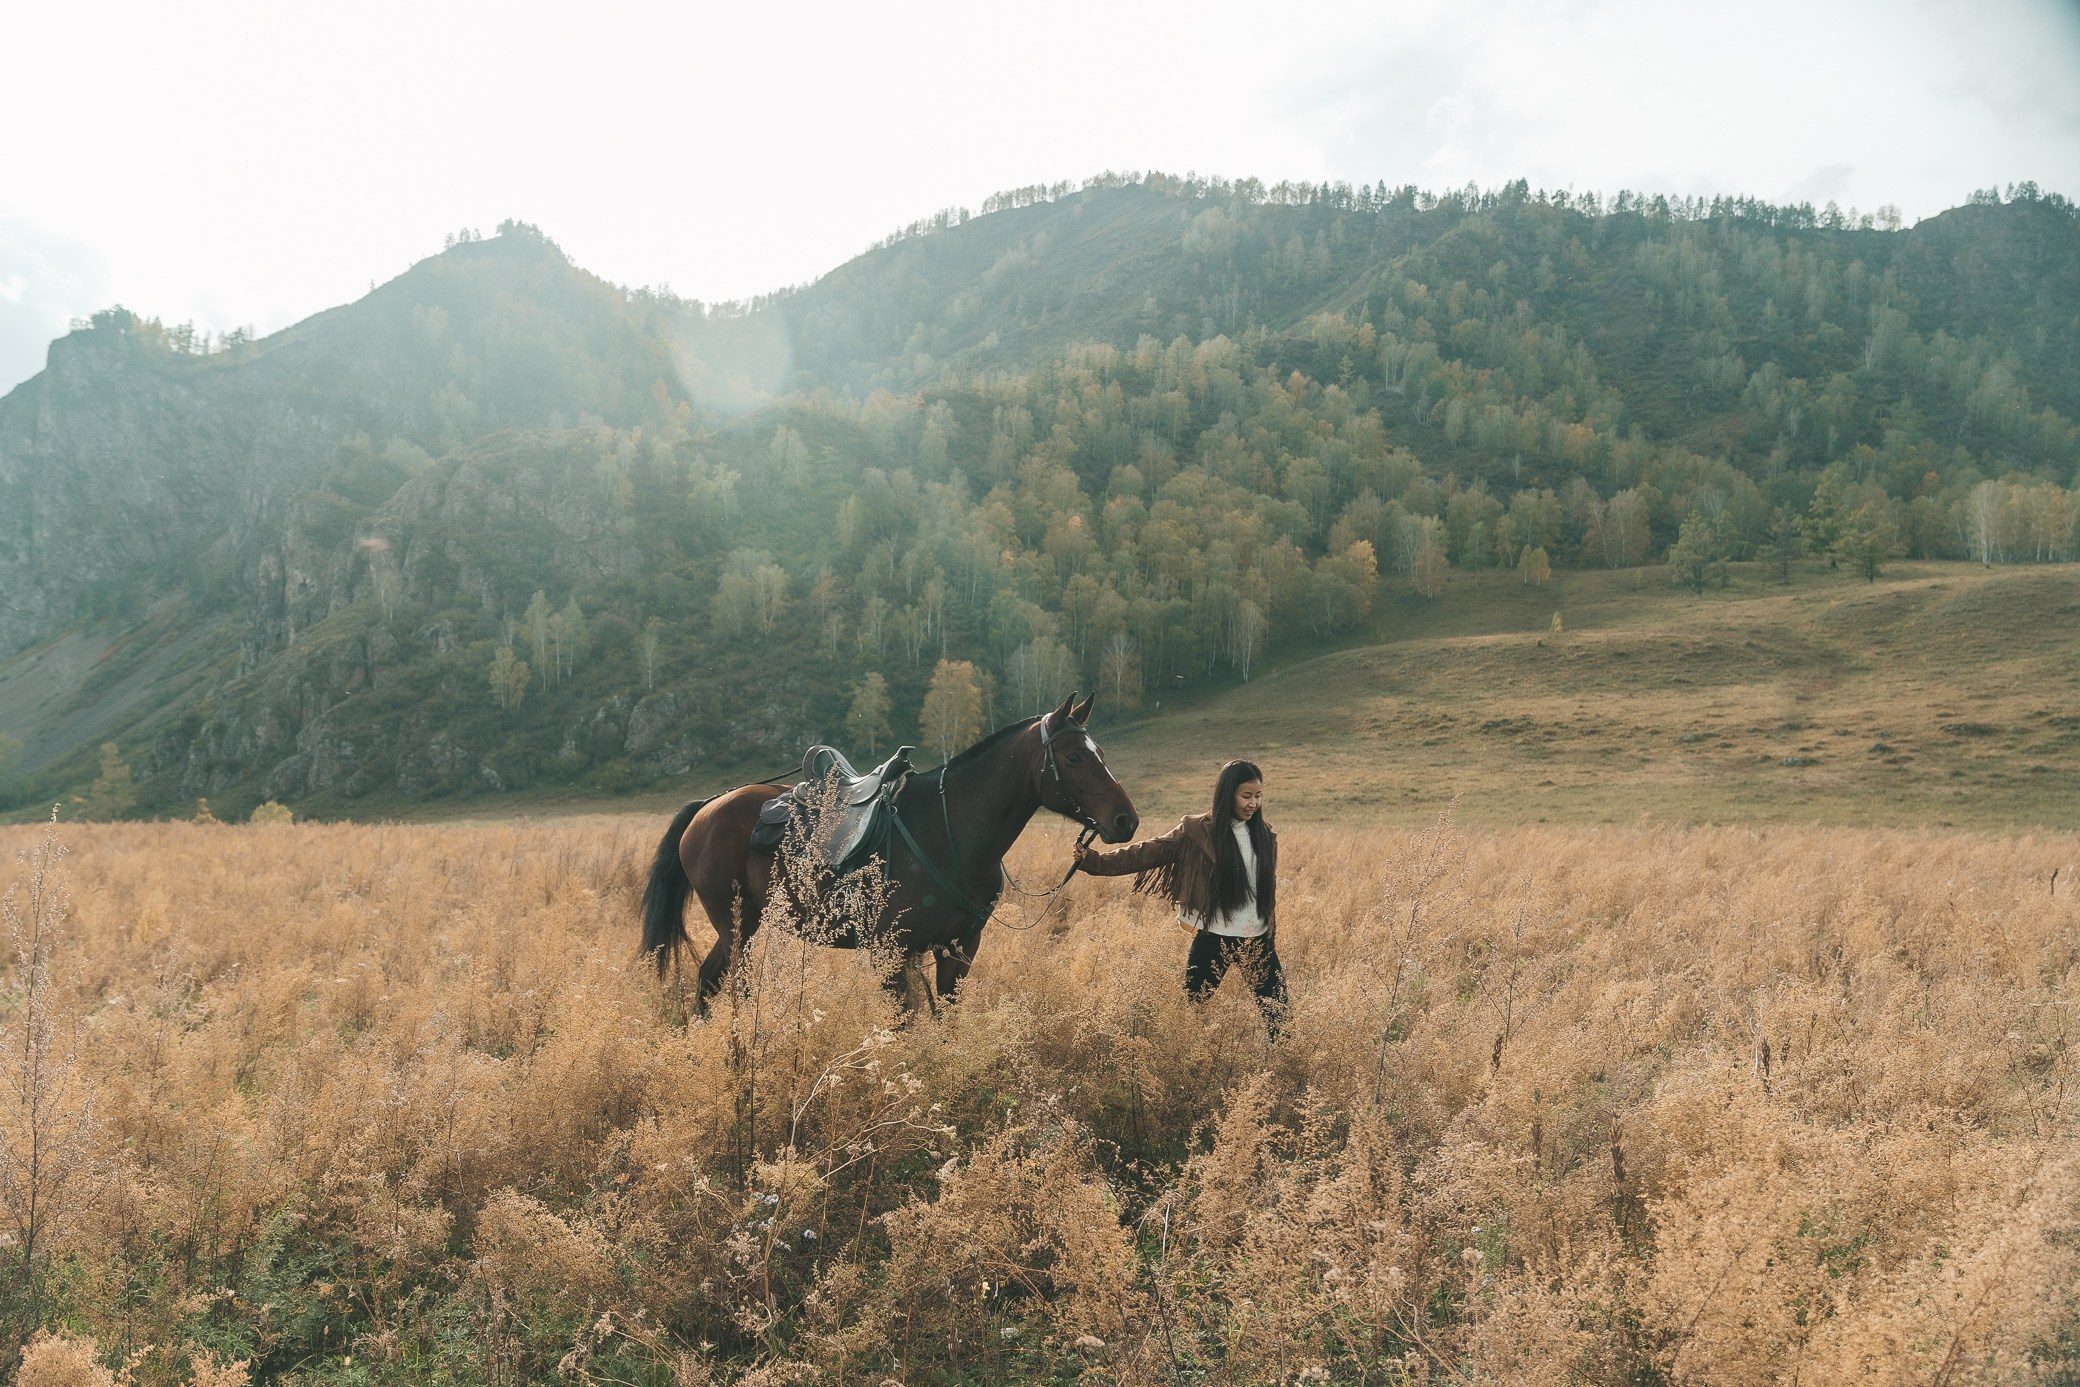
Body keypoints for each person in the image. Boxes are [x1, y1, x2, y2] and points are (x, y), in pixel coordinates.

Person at [1073, 758, 1288, 1030]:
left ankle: (1279, 1058)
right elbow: (1148, 852)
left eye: (1258, 796)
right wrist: (1095, 861)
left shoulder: (1265, 835)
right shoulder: (1197, 831)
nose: (1253, 804)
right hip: (1214, 938)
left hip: (1257, 939)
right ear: (1227, 794)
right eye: (1246, 796)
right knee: (1188, 1017)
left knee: (1280, 1020)